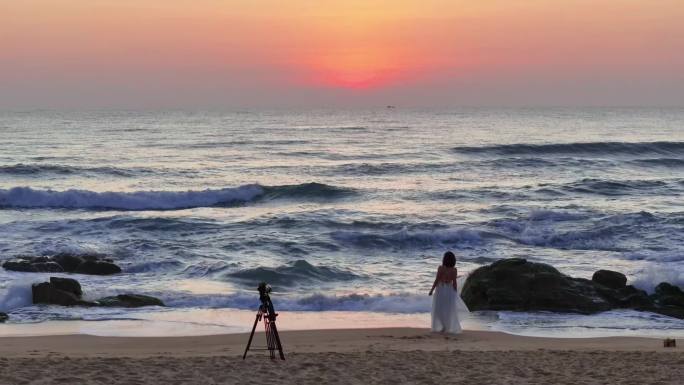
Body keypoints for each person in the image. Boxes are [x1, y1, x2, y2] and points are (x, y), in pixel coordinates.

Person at [429, 251, 467, 334]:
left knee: (438, 309)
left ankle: (443, 326)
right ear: (453, 260)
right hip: (449, 290)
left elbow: (437, 280)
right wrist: (455, 293)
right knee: (448, 309)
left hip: (440, 290)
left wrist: (432, 290)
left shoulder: (441, 268)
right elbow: (454, 282)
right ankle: (446, 327)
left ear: (444, 259)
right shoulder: (454, 270)